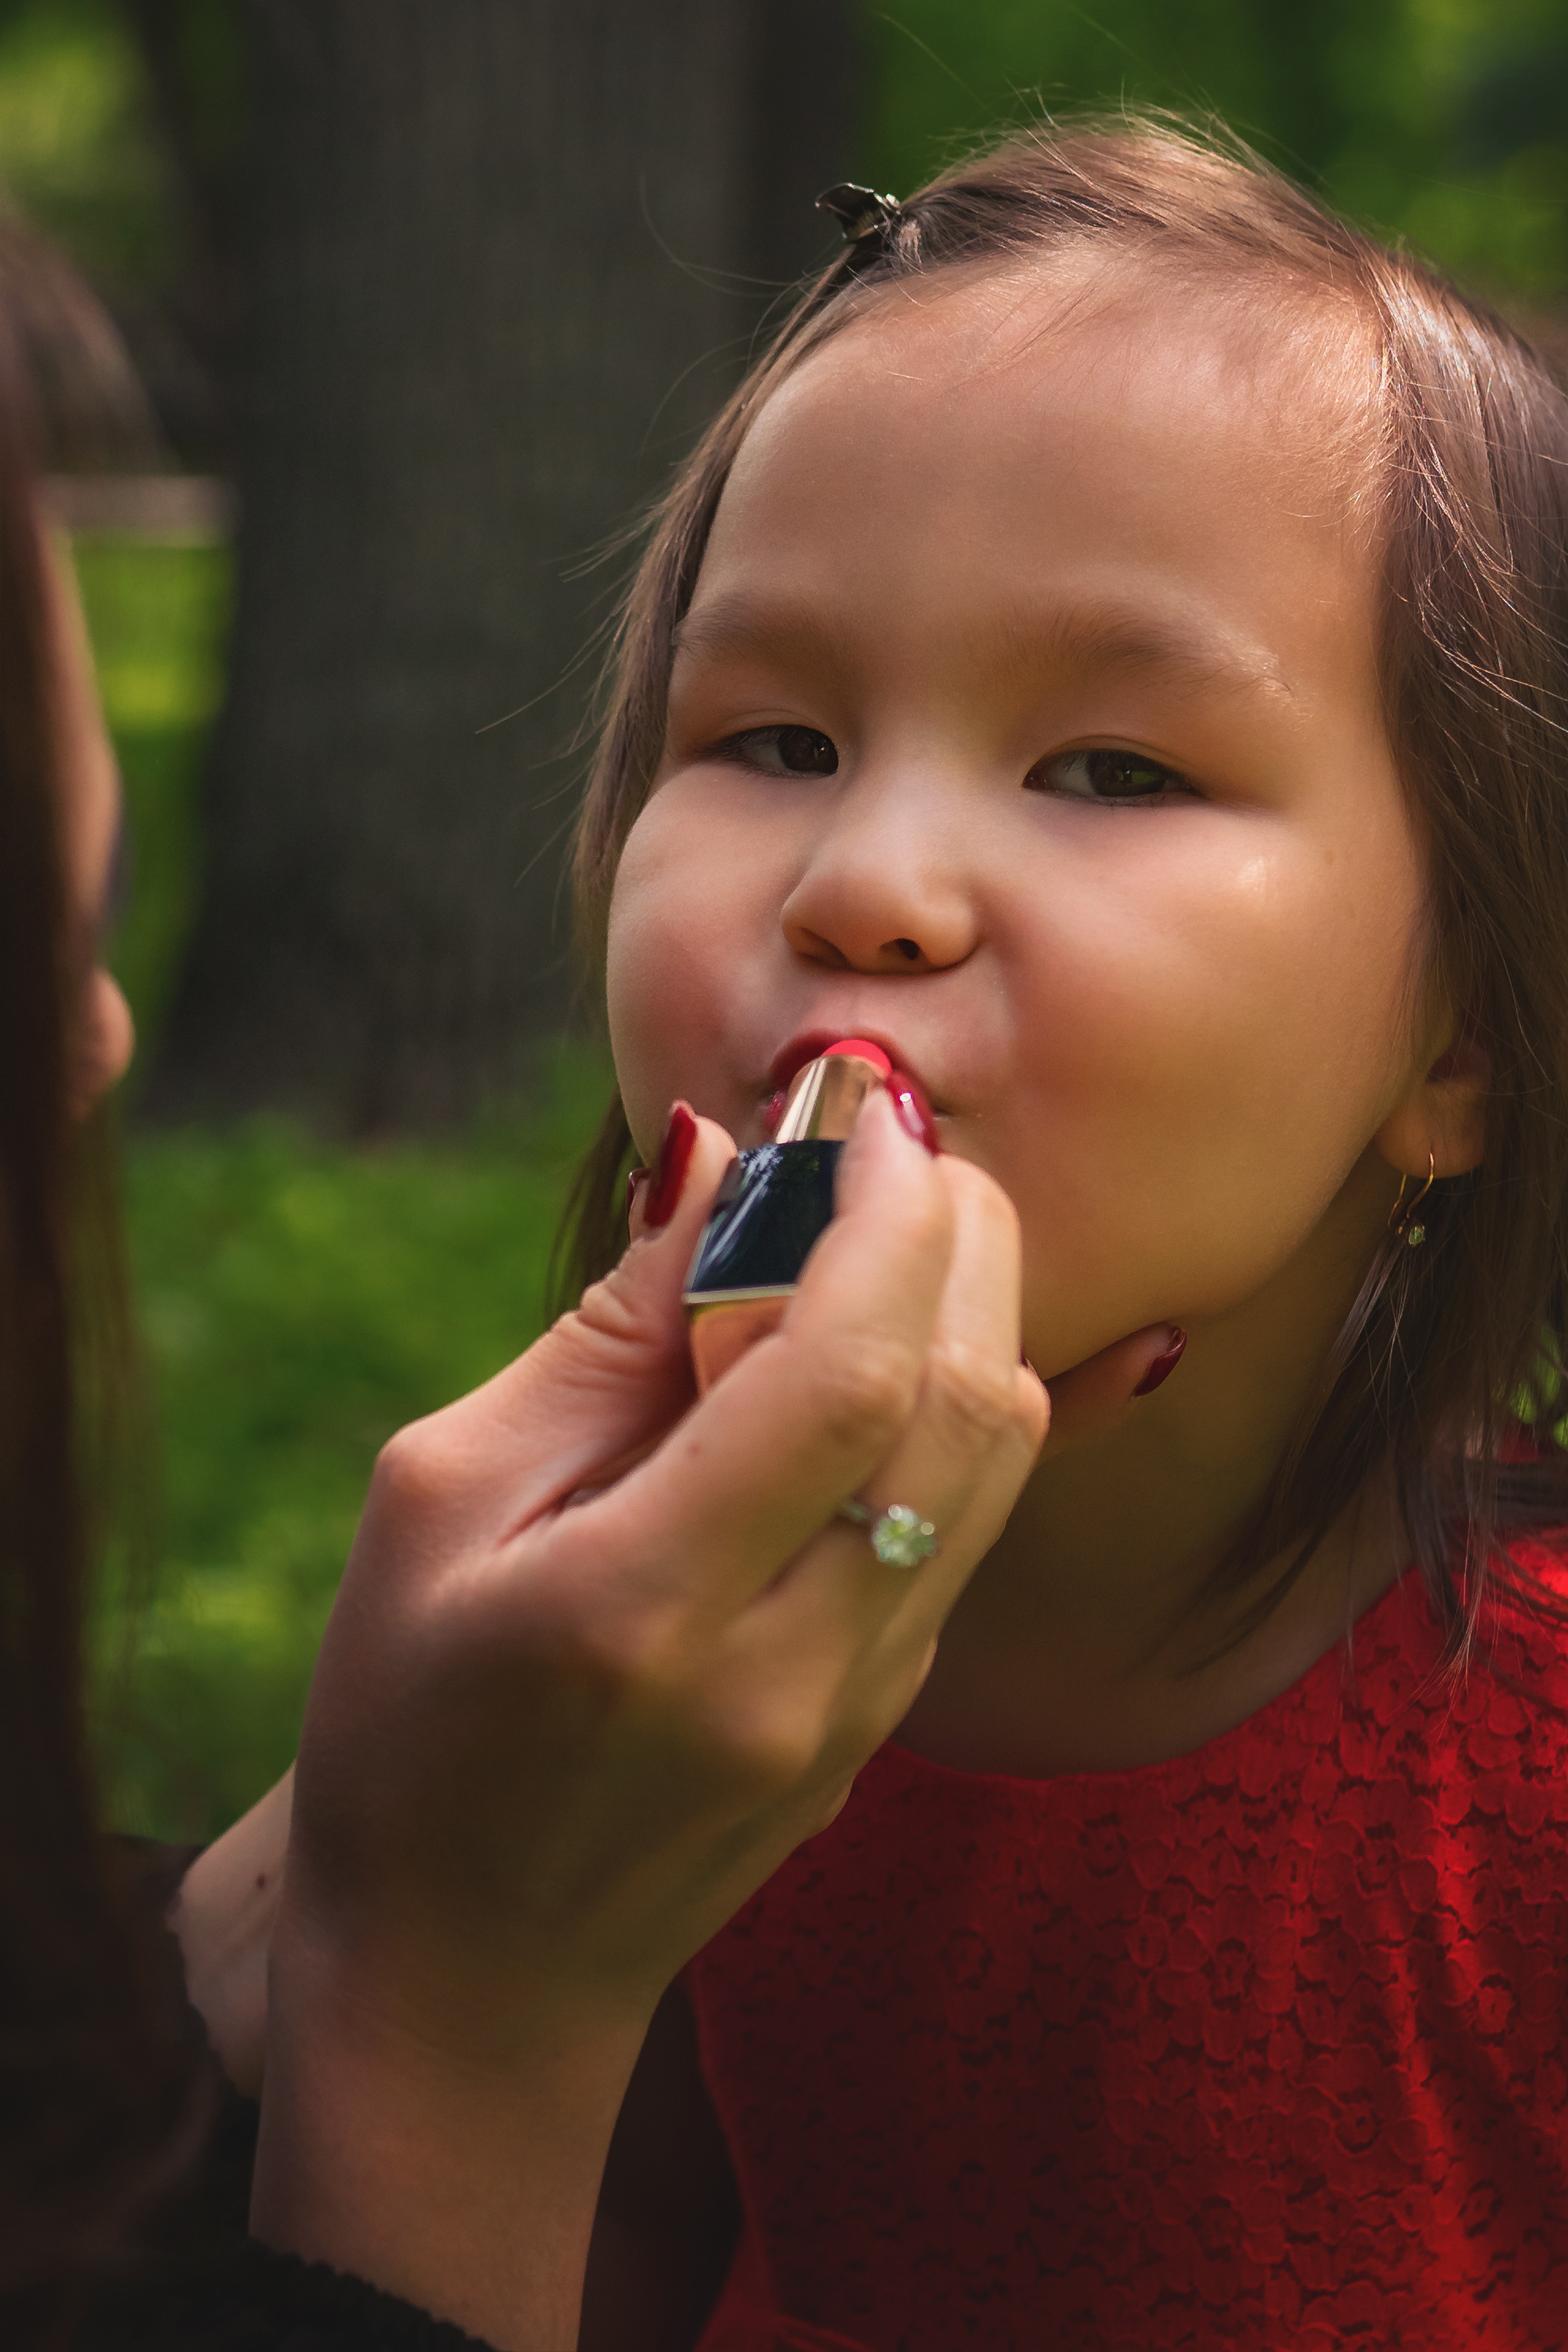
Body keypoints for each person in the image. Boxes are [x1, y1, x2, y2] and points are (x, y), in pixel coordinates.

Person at [246, 115, 1568, 2352]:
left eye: (1112, 773)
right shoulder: (604, 1667)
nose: (864, 881)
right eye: (772, 733)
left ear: (1462, 1039)